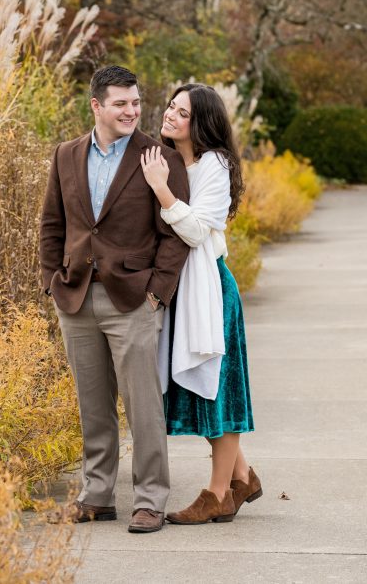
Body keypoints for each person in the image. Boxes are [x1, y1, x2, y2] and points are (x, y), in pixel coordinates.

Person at [40, 66, 191, 533]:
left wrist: (156, 294)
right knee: (92, 401)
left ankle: (150, 499)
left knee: (143, 402)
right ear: (96, 106)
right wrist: (51, 281)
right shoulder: (66, 155)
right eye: (121, 103)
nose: (131, 111)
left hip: (133, 300)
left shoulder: (159, 157)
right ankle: (97, 493)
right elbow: (52, 224)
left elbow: (174, 236)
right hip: (77, 296)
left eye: (136, 102)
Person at [139, 83, 262, 525]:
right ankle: (243, 476)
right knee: (200, 388)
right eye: (171, 106)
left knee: (219, 388)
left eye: (182, 111)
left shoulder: (215, 165)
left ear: (202, 121)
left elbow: (194, 232)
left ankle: (217, 495)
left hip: (211, 289)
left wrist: (162, 191)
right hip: (178, 287)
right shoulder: (168, 159)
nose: (170, 114)